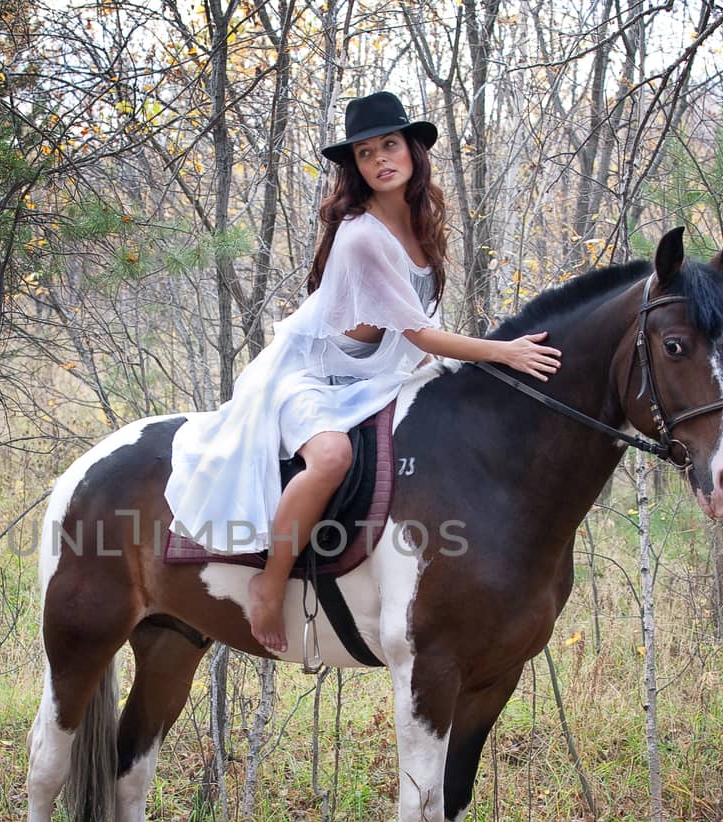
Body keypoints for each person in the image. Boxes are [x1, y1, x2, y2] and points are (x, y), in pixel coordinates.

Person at [165, 91, 562, 652]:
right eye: (366, 152)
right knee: (331, 457)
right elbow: (419, 333)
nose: (380, 159)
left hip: (373, 377)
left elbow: (420, 331)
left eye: (390, 145)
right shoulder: (362, 237)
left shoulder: (419, 225)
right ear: (355, 166)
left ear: (412, 152)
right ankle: (269, 582)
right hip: (311, 377)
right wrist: (505, 352)